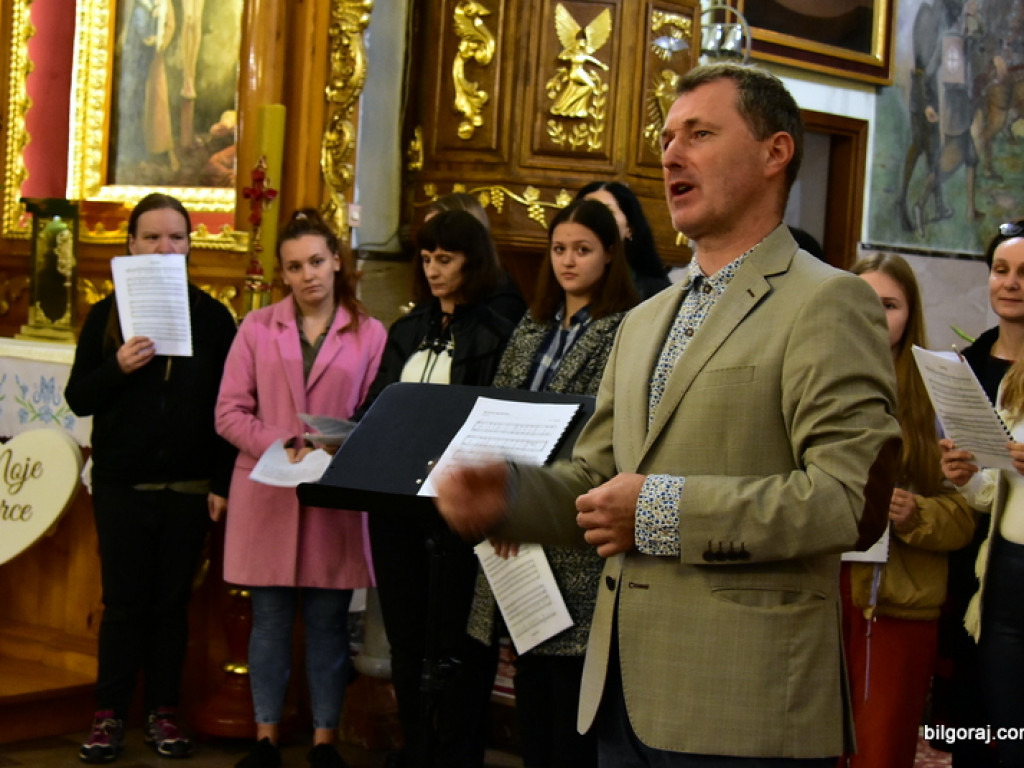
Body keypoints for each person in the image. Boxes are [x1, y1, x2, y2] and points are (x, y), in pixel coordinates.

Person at [435, 62, 901, 765]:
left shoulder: (826, 301)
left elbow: (843, 500)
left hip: (743, 698)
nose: (672, 154)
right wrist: (511, 495)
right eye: (668, 138)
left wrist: (656, 511)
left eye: (701, 134)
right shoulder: (645, 319)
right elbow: (601, 477)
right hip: (625, 688)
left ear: (776, 153)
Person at [466, 198, 638, 767]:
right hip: (515, 515)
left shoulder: (622, 330)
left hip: (571, 519)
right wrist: (505, 503)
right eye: (559, 249)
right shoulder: (535, 322)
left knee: (568, 697)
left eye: (582, 250)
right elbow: (498, 409)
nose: (568, 261)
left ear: (609, 256)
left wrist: (531, 506)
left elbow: (595, 433)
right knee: (530, 687)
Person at [66, 193, 237, 763]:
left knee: (171, 606)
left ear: (190, 246)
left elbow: (228, 408)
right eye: (153, 237)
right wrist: (118, 367)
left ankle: (165, 712)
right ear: (131, 245)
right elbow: (79, 396)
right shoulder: (106, 313)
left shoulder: (213, 318)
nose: (165, 248)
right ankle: (109, 714)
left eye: (177, 238)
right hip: (122, 486)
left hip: (188, 489)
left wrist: (220, 482)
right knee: (124, 604)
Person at [215, 209, 386, 768]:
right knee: (268, 623)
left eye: (317, 261)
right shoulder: (257, 327)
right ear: (282, 274)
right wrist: (281, 441)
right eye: (295, 266)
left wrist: (340, 444)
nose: (308, 274)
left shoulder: (370, 332)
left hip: (332, 494)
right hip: (266, 489)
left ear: (337, 260)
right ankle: (265, 740)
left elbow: (375, 414)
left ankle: (323, 744)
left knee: (328, 623)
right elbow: (228, 412)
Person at [357, 209, 521, 767]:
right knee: (407, 640)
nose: (433, 270)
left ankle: (454, 755)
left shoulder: (497, 332)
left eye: (445, 259)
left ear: (472, 261)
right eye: (426, 259)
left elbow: (500, 425)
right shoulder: (409, 329)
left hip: (457, 517)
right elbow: (377, 406)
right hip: (398, 512)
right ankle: (416, 746)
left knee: (459, 647)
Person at [838, 254, 974, 768]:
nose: (875, 315)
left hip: (895, 603)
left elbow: (966, 514)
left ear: (910, 313)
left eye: (889, 304)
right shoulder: (814, 375)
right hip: (817, 595)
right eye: (863, 301)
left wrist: (915, 513)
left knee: (879, 751)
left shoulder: (938, 391)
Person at [930, 220, 1024, 768]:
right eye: (1001, 270)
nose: (1010, 283)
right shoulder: (973, 364)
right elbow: (994, 494)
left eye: (1023, 273)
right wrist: (965, 478)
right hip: (998, 565)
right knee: (991, 725)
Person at [576, 181, 671, 299]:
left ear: (629, 229)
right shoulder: (564, 280)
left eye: (607, 212)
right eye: (585, 212)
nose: (594, 221)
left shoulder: (657, 294)